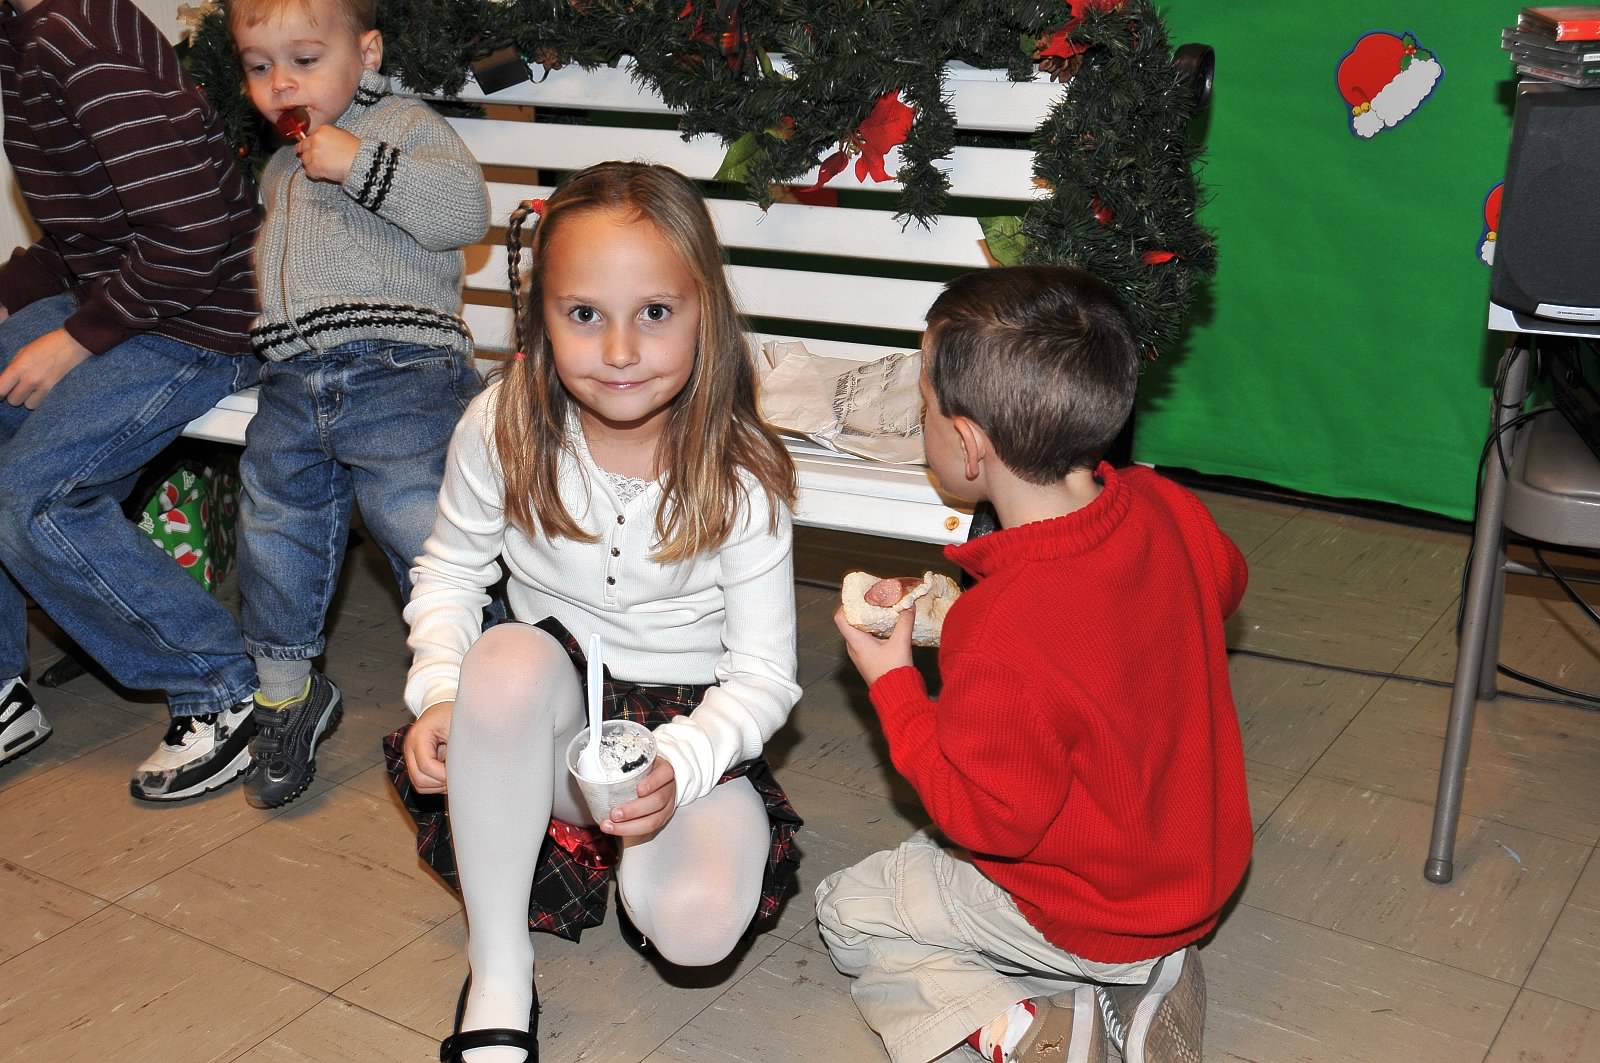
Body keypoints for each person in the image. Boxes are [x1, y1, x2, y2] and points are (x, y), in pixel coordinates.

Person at [383, 161, 804, 1063]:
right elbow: (451, 569)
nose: (618, 351)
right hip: (547, 720)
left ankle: (639, 865)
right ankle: (499, 968)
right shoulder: (502, 423)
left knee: (695, 926)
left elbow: (764, 676)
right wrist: (441, 692)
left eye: (654, 312)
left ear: (705, 312)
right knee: (505, 656)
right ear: (539, 315)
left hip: (681, 729)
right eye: (583, 313)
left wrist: (682, 764)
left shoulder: (744, 474)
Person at [815, 266, 1252, 1063]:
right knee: (935, 872)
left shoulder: (1002, 630)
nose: (920, 418)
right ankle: (1145, 975)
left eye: (924, 404)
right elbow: (1215, 584)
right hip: (1191, 870)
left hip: (1089, 909)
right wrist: (952, 613)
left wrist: (895, 686)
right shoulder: (1165, 504)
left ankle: (1035, 1028)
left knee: (852, 908)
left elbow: (984, 818)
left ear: (969, 444)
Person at [226, 0, 489, 808]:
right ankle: (286, 696)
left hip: (400, 368)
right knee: (272, 528)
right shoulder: (280, 165)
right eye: (259, 66)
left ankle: (484, 689)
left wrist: (361, 163)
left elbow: (465, 213)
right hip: (295, 380)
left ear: (366, 52)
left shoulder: (402, 125)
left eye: (304, 60)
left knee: (423, 524)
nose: (280, 83)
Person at [0, 0, 263, 800]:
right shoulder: (24, 35)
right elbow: (94, 224)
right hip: (127, 302)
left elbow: (191, 232)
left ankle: (224, 689)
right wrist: (15, 293)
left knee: (35, 499)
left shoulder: (79, 40)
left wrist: (75, 340)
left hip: (201, 321)